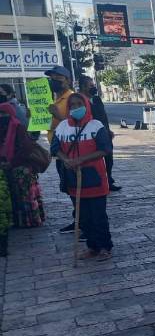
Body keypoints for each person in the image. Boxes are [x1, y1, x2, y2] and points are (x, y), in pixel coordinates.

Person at [51, 93, 113, 260]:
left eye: (79, 104)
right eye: (72, 105)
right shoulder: (63, 126)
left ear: (86, 105)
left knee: (98, 216)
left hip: (95, 179)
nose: (76, 107)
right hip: (73, 179)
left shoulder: (95, 125)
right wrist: (66, 160)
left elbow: (105, 149)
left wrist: (81, 159)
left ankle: (104, 247)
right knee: (82, 216)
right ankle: (92, 246)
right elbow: (55, 148)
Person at [1, 92, 44, 229]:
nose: (2, 117)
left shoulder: (18, 127)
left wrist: (12, 163)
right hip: (6, 167)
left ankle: (31, 220)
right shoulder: (3, 129)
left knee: (25, 195)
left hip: (21, 166)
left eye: (4, 114)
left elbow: (26, 149)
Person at [45, 66, 77, 235]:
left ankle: (84, 223)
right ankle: (78, 220)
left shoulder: (72, 99)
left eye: (59, 77)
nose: (54, 80)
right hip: (58, 152)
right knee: (69, 188)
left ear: (68, 80)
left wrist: (58, 115)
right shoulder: (52, 100)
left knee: (76, 187)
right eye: (52, 77)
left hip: (70, 152)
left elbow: (76, 126)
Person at [79, 76, 121, 192]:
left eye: (93, 85)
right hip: (92, 135)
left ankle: (109, 181)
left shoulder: (96, 99)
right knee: (96, 160)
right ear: (83, 87)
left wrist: (108, 130)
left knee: (109, 159)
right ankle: (98, 182)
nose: (93, 88)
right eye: (90, 86)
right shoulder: (81, 101)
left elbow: (103, 116)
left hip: (104, 133)